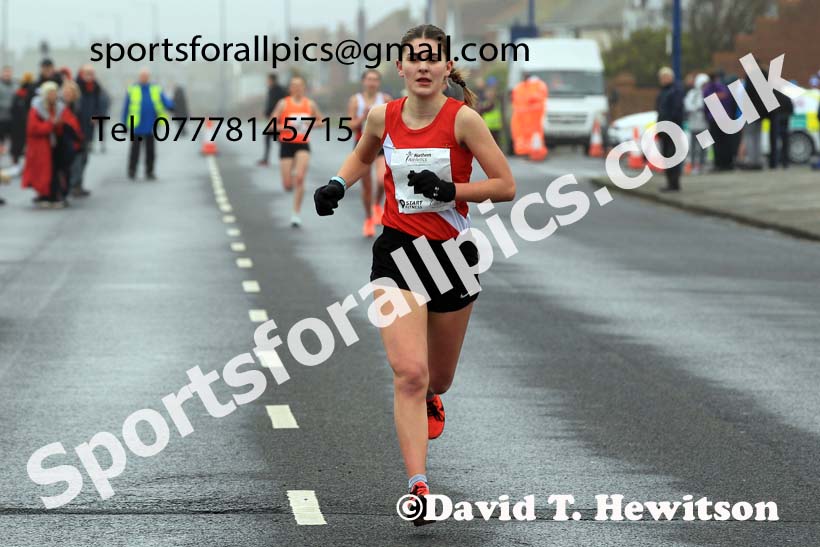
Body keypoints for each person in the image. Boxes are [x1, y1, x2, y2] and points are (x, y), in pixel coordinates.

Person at [312, 23, 515, 525]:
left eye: (433, 58)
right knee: (409, 372)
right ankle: (418, 485)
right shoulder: (384, 116)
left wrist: (449, 191)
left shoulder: (464, 120)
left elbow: (506, 185)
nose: (423, 66)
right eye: (414, 58)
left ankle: (431, 399)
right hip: (397, 254)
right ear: (400, 68)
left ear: (447, 67)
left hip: (451, 256)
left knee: (437, 378)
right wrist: (338, 184)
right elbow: (363, 154)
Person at [269, 75, 324, 227]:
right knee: (287, 185)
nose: (297, 88)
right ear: (290, 88)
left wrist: (310, 123)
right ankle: (290, 178)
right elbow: (271, 125)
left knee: (300, 178)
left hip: (302, 144)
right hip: (286, 144)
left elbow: (321, 122)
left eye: (300, 85)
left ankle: (296, 213)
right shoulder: (283, 104)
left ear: (304, 87)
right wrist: (284, 127)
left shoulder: (310, 104)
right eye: (294, 85)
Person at [347, 69, 392, 237]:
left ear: (378, 83)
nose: (372, 82)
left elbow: (395, 121)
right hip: (362, 144)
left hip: (381, 144)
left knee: (382, 180)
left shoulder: (385, 100)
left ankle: (377, 205)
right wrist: (364, 116)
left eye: (375, 79)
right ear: (364, 82)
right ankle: (368, 219)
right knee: (367, 187)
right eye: (369, 79)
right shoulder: (355, 101)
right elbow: (351, 125)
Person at [21, 81, 80, 208]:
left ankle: (53, 195)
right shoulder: (37, 108)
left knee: (53, 172)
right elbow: (33, 128)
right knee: (42, 173)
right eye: (51, 93)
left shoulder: (59, 108)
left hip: (53, 146)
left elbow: (69, 123)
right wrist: (51, 124)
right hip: (39, 147)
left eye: (55, 93)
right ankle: (45, 196)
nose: (53, 96)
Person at [122, 67, 173, 180]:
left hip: (151, 125)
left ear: (148, 77)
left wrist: (172, 106)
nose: (144, 78)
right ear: (139, 77)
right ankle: (132, 170)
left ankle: (149, 171)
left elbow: (164, 101)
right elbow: (126, 107)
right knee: (135, 150)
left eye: (146, 76)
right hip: (137, 126)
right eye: (142, 76)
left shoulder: (155, 89)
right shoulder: (132, 89)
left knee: (150, 150)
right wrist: (124, 123)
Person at [74, 64, 106, 196]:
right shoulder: (75, 87)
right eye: (87, 73)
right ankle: (73, 184)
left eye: (91, 73)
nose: (89, 76)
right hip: (75, 129)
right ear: (82, 74)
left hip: (89, 129)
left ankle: (79, 184)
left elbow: (102, 105)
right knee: (75, 158)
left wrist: (98, 115)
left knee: (84, 158)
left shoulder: (96, 88)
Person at [656, 67, 685, 192]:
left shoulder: (675, 91)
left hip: (672, 128)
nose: (662, 80)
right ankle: (670, 182)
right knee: (666, 155)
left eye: (664, 77)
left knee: (672, 155)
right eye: (661, 78)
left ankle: (674, 183)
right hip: (664, 128)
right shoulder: (662, 92)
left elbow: (676, 110)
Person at [702, 71, 736, 171]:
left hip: (713, 119)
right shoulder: (723, 88)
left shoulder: (707, 90)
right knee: (727, 141)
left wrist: (707, 116)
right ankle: (728, 163)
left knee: (717, 143)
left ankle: (719, 163)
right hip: (725, 118)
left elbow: (705, 106)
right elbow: (730, 102)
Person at [56, 80, 85, 200]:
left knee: (77, 165)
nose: (68, 94)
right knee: (64, 168)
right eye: (66, 92)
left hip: (76, 140)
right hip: (62, 141)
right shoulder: (59, 106)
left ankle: (73, 186)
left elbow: (81, 124)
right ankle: (64, 190)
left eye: (71, 92)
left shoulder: (78, 106)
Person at [258, 72, 286, 166]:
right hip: (273, 118)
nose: (267, 81)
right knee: (277, 139)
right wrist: (266, 112)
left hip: (277, 119)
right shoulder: (271, 89)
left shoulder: (279, 90)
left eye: (268, 80)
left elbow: (277, 105)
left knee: (277, 139)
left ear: (272, 80)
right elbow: (270, 103)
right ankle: (286, 156)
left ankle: (287, 156)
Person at [684, 73, 709, 174]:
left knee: (704, 146)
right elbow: (687, 105)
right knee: (694, 146)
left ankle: (703, 164)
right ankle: (694, 165)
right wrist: (695, 108)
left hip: (704, 124)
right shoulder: (692, 93)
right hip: (694, 123)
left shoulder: (707, 93)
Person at [10, 72, 36, 165]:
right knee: (20, 142)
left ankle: (18, 159)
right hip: (21, 121)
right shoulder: (21, 93)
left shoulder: (26, 92)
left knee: (20, 142)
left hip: (23, 121)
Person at [769, 86, 793, 169]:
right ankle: (785, 163)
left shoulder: (773, 97)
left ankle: (774, 163)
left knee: (774, 143)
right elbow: (791, 110)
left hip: (775, 123)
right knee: (785, 144)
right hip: (785, 123)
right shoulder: (786, 98)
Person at [476, 76, 503, 147]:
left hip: (494, 126)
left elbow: (487, 108)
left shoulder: (495, 101)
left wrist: (481, 108)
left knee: (495, 144)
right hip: (488, 126)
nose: (489, 94)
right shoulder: (484, 99)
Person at [0, 66, 13, 159]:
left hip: (12, 119)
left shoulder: (15, 86)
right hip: (1, 119)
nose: (7, 75)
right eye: (5, 72)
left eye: (9, 73)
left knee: (12, 142)